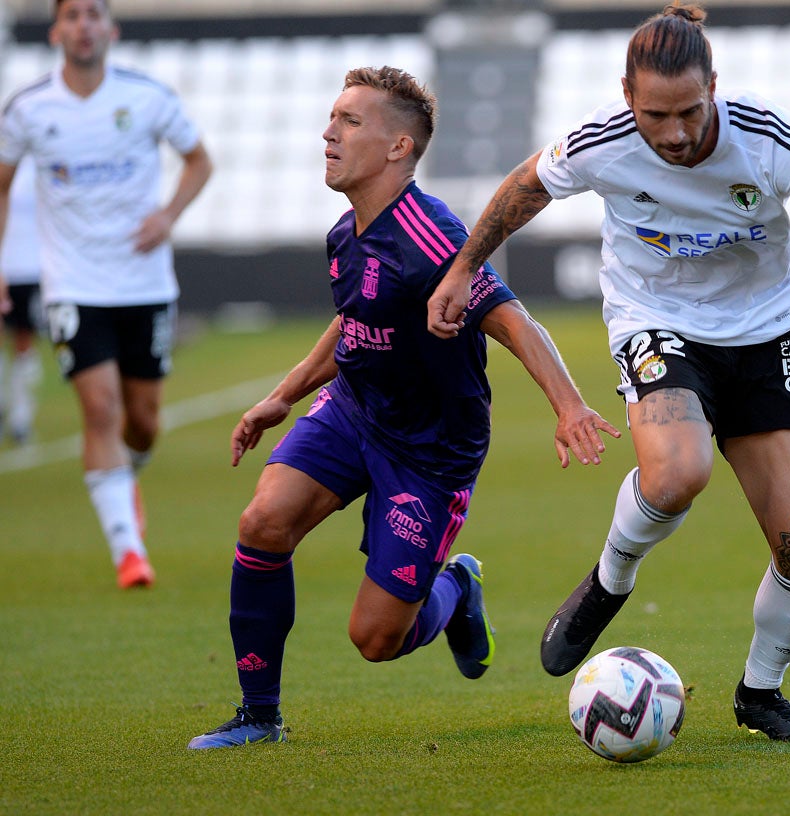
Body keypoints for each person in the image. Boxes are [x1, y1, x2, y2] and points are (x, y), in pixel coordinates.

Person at [428, 2, 790, 742]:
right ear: (626, 96)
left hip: (766, 334)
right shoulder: (599, 141)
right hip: (656, 322)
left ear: (715, 84)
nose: (674, 133)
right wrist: (461, 270)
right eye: (655, 115)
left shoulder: (771, 140)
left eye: (689, 111)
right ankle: (610, 580)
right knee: (679, 472)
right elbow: (523, 190)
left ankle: (759, 693)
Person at [187, 66, 619, 750]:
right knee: (263, 522)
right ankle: (258, 715)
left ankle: (455, 591)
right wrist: (282, 396)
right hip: (353, 412)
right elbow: (354, 323)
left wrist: (567, 405)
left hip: (429, 452)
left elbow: (511, 320)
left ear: (397, 147)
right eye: (331, 118)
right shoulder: (345, 234)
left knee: (376, 639)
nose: (328, 133)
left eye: (349, 122)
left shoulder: (429, 236)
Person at [0, 0, 213, 588]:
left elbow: (199, 162)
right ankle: (128, 551)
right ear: (56, 31)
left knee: (142, 422)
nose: (83, 25)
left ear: (110, 30)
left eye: (94, 14)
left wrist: (169, 215)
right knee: (99, 410)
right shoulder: (27, 109)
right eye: (72, 15)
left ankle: (126, 479)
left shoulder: (147, 97)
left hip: (144, 284)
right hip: (71, 284)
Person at [0, 158, 42, 445]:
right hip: (3, 269)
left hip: (31, 270)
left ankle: (21, 418)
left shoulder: (39, 163)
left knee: (24, 343)